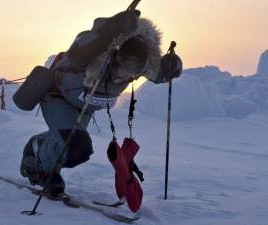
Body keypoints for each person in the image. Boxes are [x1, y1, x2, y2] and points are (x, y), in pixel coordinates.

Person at [14, 10, 182, 195]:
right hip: (59, 97)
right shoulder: (95, 54)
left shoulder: (137, 64)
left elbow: (157, 75)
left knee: (75, 150)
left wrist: (169, 69)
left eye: (131, 75)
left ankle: (47, 154)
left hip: (84, 107)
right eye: (121, 70)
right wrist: (112, 28)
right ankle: (35, 160)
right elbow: (79, 52)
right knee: (76, 146)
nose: (123, 77)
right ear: (116, 57)